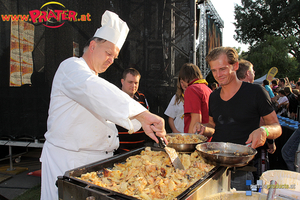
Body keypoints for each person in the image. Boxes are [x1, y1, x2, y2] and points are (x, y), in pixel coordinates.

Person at [40, 11, 167, 200]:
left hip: (95, 165)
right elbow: (93, 90)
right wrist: (142, 115)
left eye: (114, 57)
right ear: (92, 46)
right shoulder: (71, 67)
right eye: (108, 53)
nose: (111, 60)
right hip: (68, 163)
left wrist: (140, 120)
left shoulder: (94, 78)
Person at [196, 47, 282, 191]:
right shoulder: (214, 96)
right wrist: (203, 129)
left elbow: (276, 126)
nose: (218, 75)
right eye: (214, 70)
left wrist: (264, 131)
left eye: (222, 69)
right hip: (213, 168)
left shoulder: (255, 92)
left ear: (235, 66)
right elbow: (213, 125)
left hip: (242, 170)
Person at [115, 68, 150, 154]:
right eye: (130, 82)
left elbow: (148, 118)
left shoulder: (142, 97)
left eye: (136, 83)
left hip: (140, 149)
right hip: (119, 150)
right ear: (122, 81)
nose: (133, 86)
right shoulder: (114, 96)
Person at [179, 63, 212, 134]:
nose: (182, 84)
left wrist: (189, 142)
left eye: (182, 81)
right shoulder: (207, 89)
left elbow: (196, 120)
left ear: (185, 78)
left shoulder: (191, 89)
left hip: (197, 140)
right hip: (207, 138)